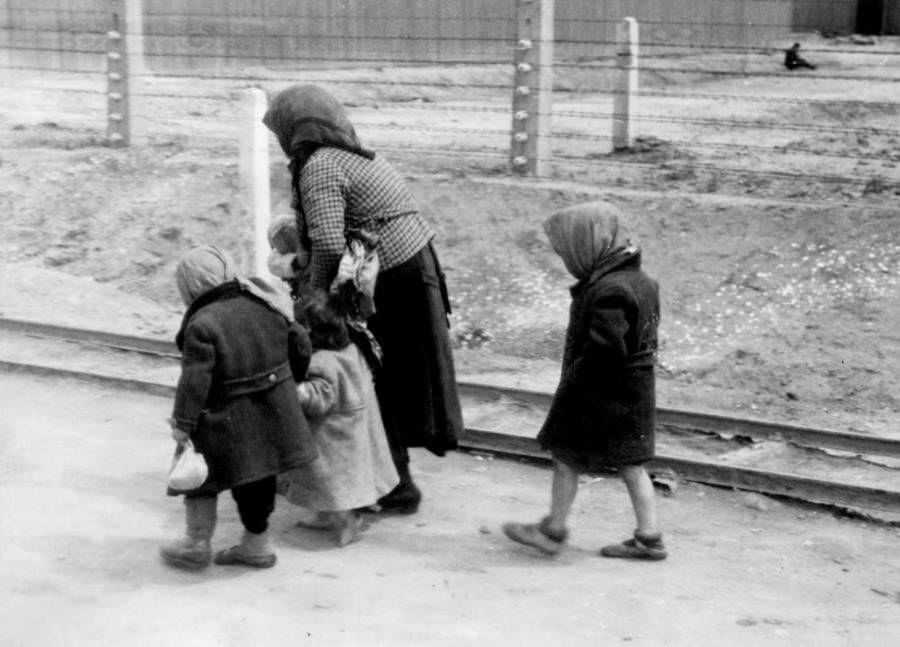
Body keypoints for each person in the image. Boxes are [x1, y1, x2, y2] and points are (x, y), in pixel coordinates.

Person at [262, 84, 463, 514]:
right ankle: (393, 480)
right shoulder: (354, 156)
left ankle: (389, 485)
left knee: (371, 377)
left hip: (389, 280)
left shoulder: (318, 165)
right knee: (386, 378)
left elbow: (329, 246)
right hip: (409, 270)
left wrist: (313, 305)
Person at [502, 201, 667, 560]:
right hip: (636, 389)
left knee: (565, 457)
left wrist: (573, 384)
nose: (567, 259)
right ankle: (649, 537)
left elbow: (605, 352)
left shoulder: (609, 290)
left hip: (599, 393)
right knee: (632, 465)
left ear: (586, 245)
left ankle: (553, 530)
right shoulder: (643, 282)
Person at [160, 245, 317, 570]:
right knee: (258, 480)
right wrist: (287, 385)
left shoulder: (201, 324)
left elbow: (194, 382)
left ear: (189, 286)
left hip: (223, 420)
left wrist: (183, 424)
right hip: (273, 413)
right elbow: (300, 342)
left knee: (200, 478)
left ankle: (196, 543)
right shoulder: (263, 300)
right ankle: (256, 544)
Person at [281, 290, 399, 546]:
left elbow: (319, 396)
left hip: (333, 438)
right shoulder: (352, 349)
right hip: (354, 429)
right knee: (329, 485)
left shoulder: (321, 363)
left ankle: (348, 521)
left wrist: (294, 391)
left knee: (333, 484)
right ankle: (325, 515)